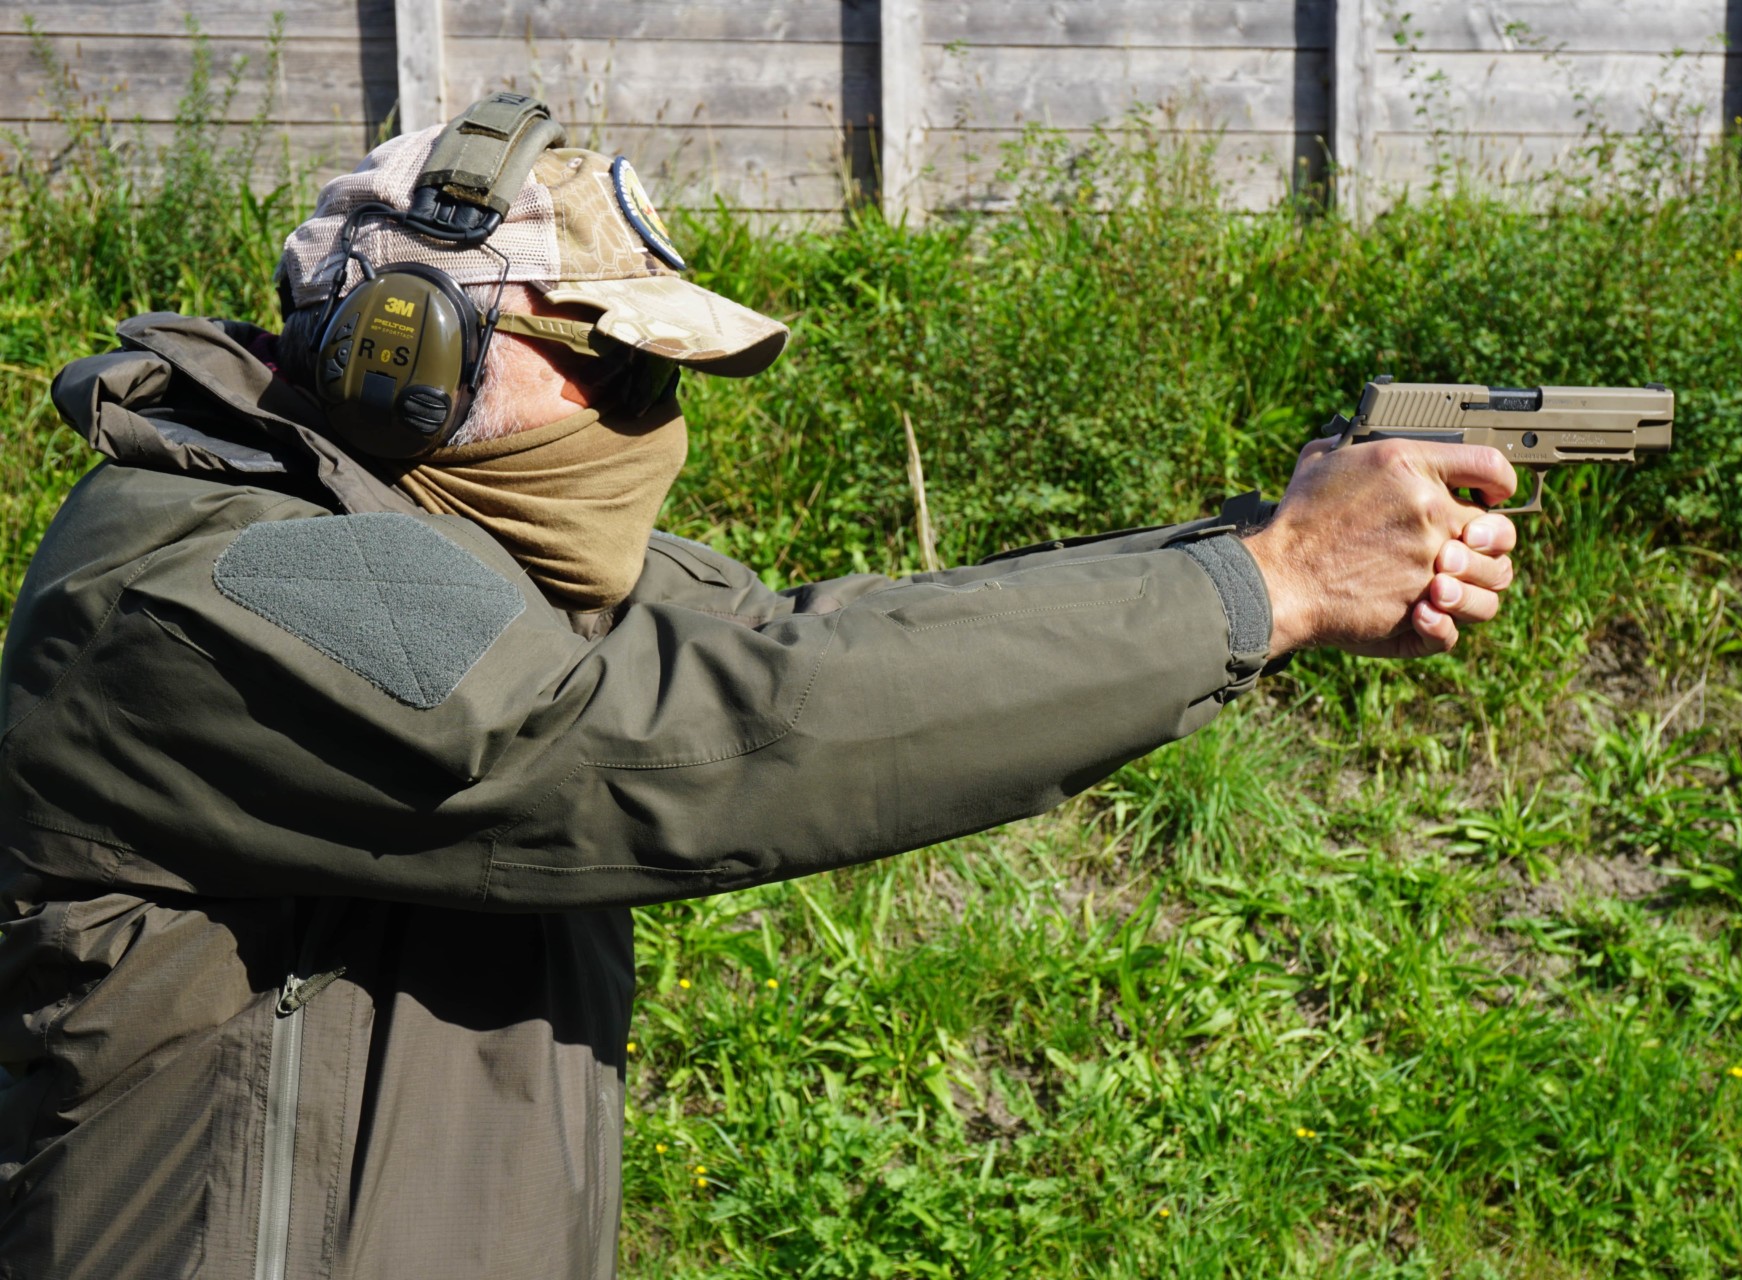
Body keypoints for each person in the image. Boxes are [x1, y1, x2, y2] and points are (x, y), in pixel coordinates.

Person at [0, 98, 1518, 1279]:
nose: (649, 427)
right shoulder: (207, 589)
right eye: (620, 371)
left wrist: (1266, 546)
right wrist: (1273, 586)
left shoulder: (432, 529)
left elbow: (824, 642)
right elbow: (712, 745)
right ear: (409, 357)